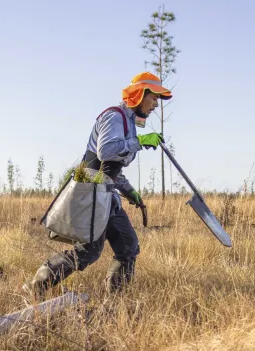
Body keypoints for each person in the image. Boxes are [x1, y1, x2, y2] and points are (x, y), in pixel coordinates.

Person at [24, 71, 172, 299]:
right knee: (88, 253)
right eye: (153, 98)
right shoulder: (114, 117)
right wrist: (139, 142)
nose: (155, 104)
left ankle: (116, 300)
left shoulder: (130, 123)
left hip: (106, 194)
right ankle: (35, 289)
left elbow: (111, 168)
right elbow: (104, 152)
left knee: (128, 247)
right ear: (140, 94)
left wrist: (128, 190)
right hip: (92, 195)